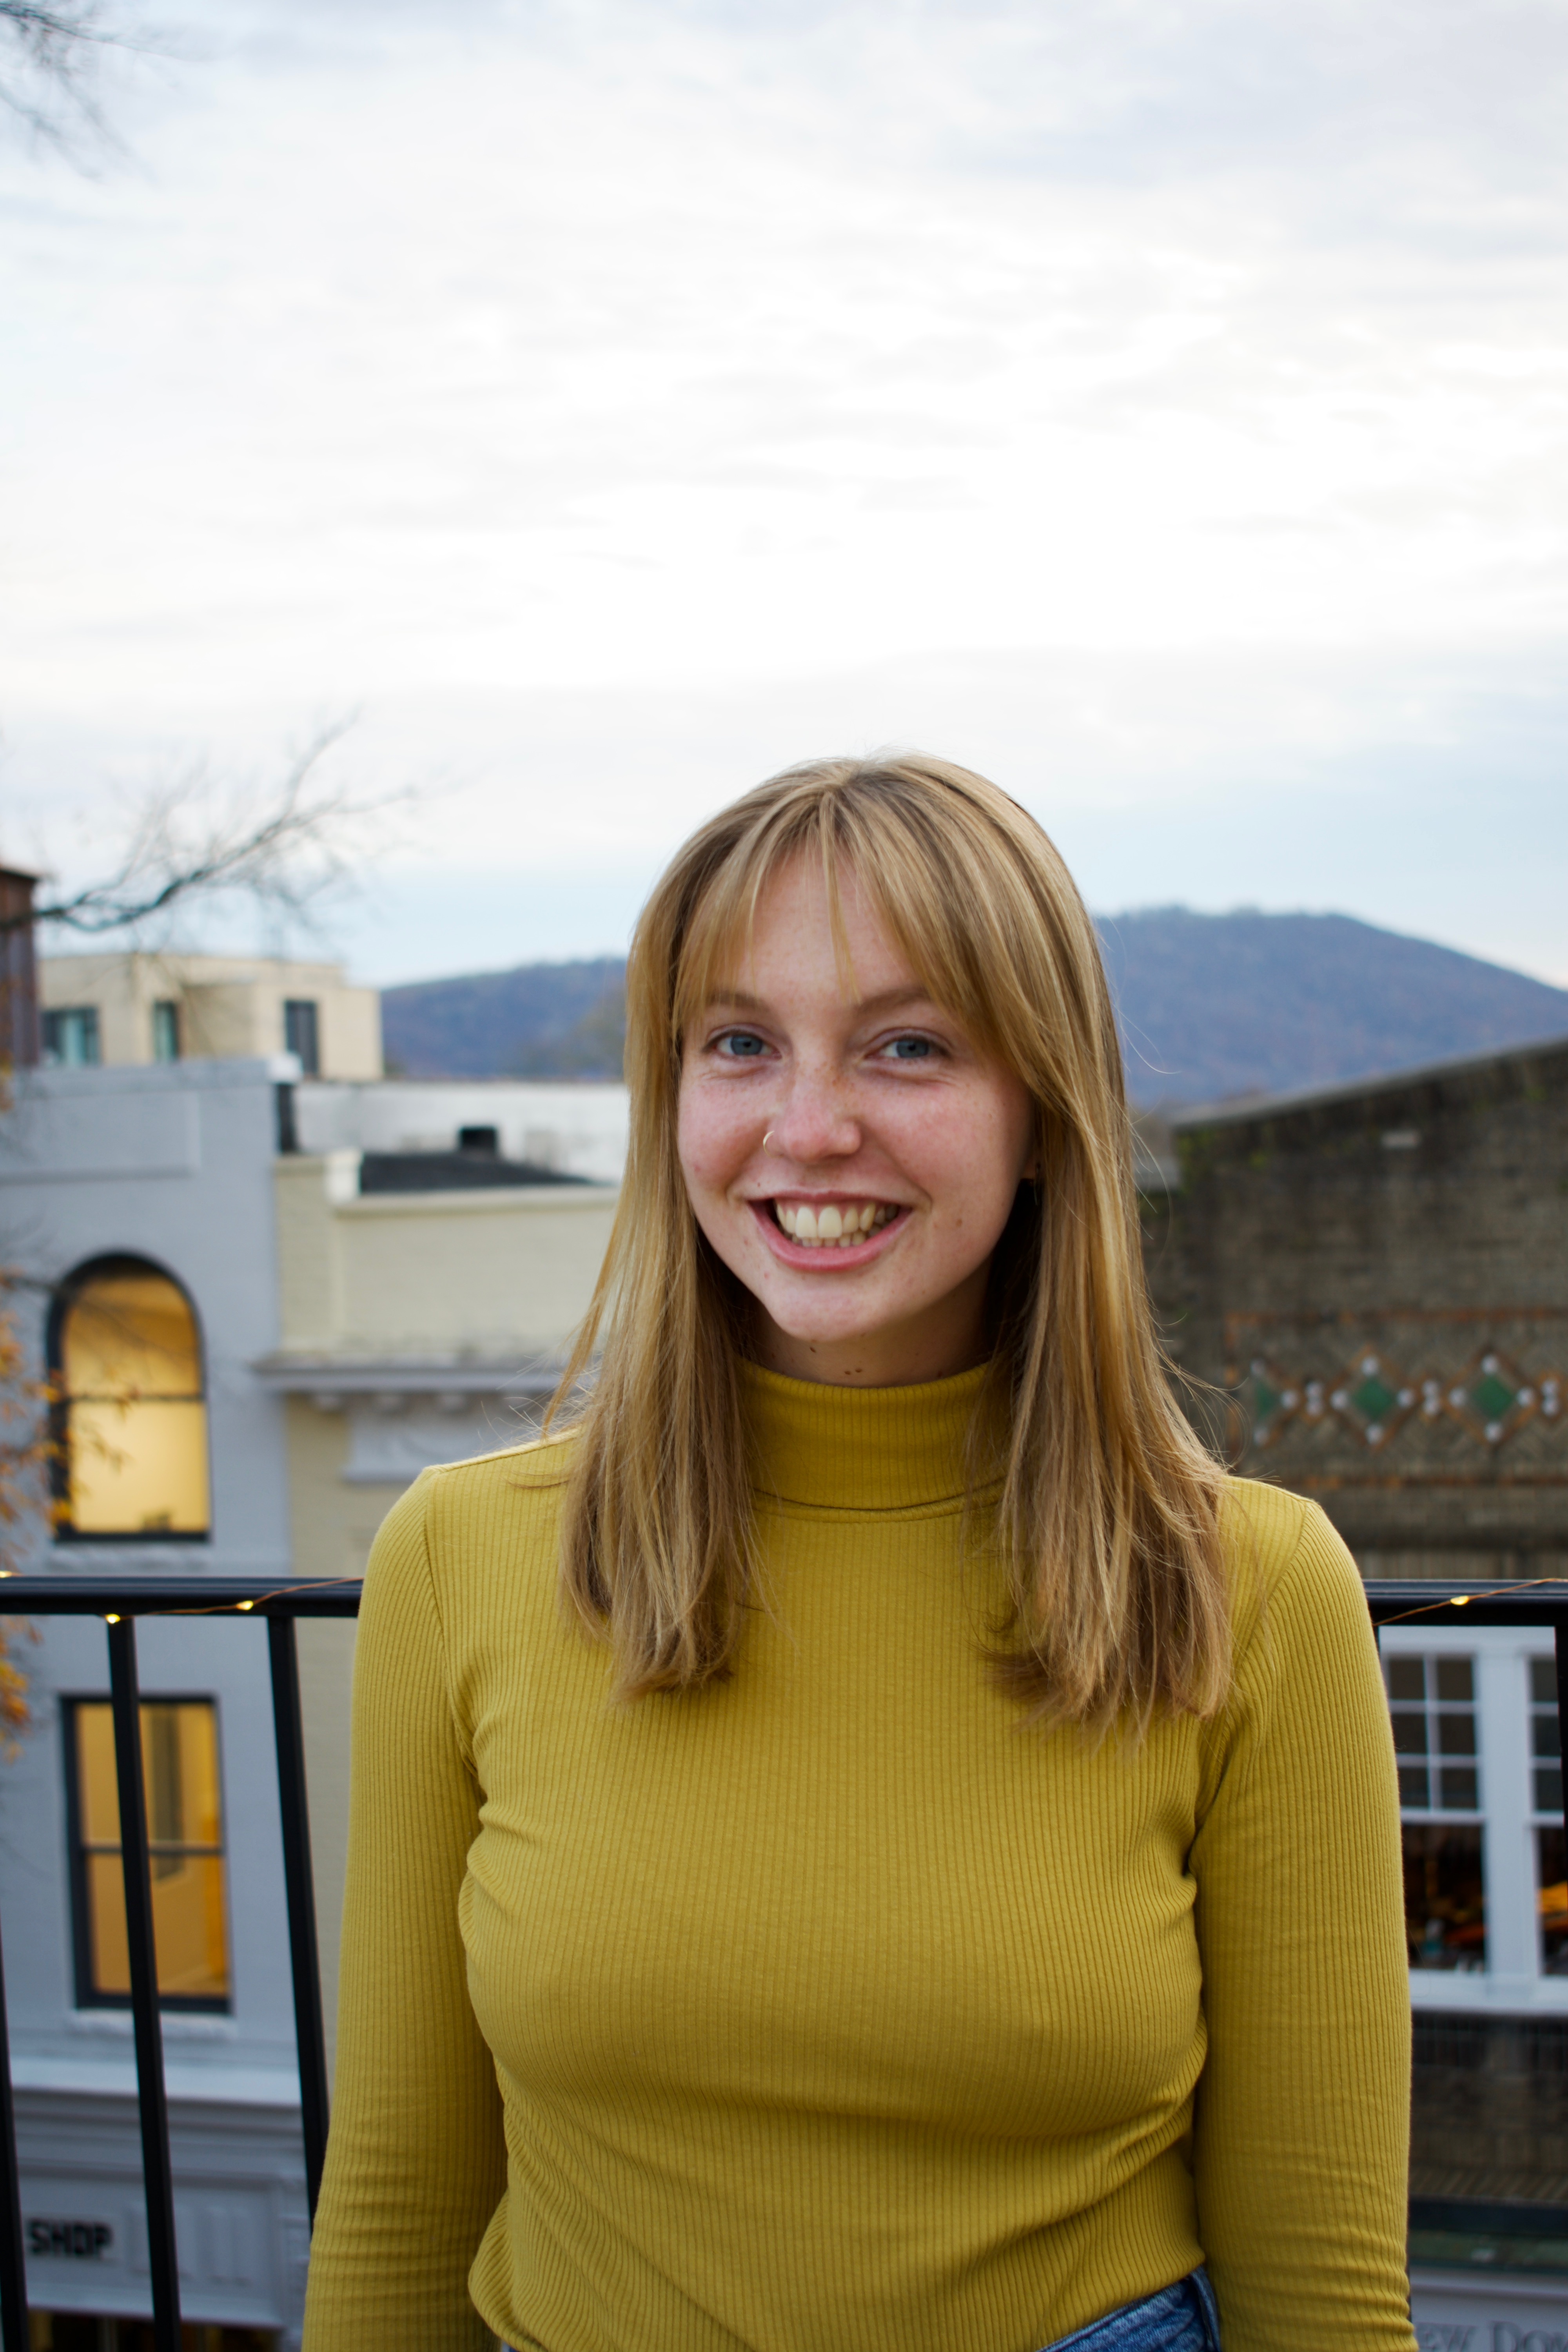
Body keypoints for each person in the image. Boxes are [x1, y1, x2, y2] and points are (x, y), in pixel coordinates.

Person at [302, 755, 1417, 2352]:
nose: (809, 1129)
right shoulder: (460, 1559)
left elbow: (1320, 2287)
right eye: (739, 1044)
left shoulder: (1250, 1589)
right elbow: (399, 2211)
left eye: (908, 1046)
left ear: (1043, 1116)